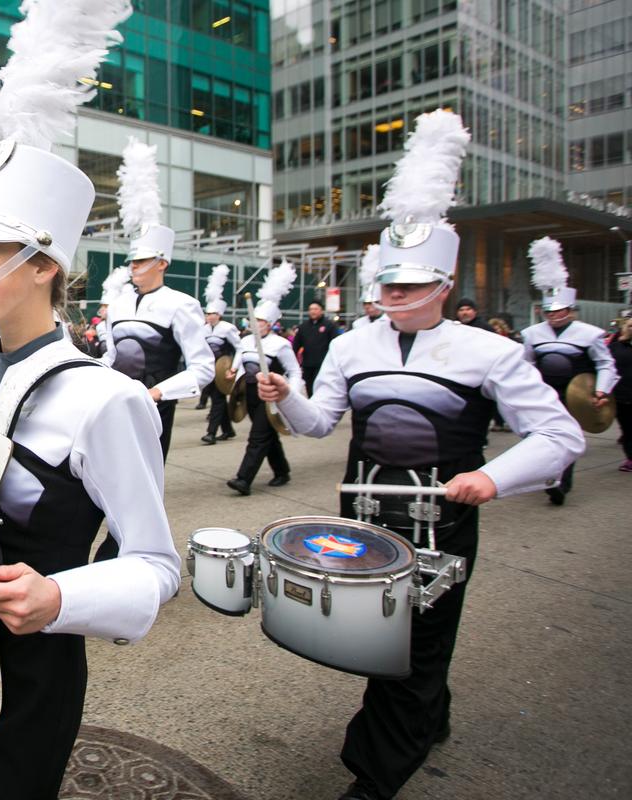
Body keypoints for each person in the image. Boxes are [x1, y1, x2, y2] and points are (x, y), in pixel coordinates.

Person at [256, 109, 585, 800]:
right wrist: (286, 396)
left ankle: (372, 778)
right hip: (365, 519)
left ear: (444, 284)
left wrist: (491, 479)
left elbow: (561, 437)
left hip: (443, 522)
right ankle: (430, 715)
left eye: (409, 286)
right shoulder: (351, 346)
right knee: (388, 642)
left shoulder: (491, 351)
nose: (395, 296)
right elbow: (320, 426)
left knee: (415, 650)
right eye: (389, 285)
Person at [0, 2, 177, 791]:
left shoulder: (107, 399)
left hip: (39, 665)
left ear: (43, 265)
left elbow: (156, 565)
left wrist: (59, 595)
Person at [103, 136, 214, 460]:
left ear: (162, 263)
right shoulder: (119, 303)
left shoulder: (181, 304)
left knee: (145, 478)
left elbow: (203, 368)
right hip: (115, 403)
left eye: (141, 261)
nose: (133, 267)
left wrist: (158, 392)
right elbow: (111, 355)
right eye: (132, 261)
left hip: (154, 406)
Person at [520, 236, 616, 505]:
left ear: (570, 310)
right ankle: (547, 474)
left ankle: (561, 482)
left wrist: (601, 391)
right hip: (544, 392)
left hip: (576, 394)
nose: (553, 316)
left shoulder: (590, 334)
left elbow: (605, 363)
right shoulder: (532, 333)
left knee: (567, 435)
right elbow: (526, 363)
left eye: (558, 311)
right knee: (541, 435)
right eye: (549, 312)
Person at [224, 261, 302, 495]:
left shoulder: (281, 344)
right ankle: (282, 471)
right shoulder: (246, 341)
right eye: (253, 320)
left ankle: (243, 479)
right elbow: (240, 359)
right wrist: (232, 373)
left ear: (270, 324)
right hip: (249, 393)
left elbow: (295, 371)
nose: (255, 324)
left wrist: (291, 393)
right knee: (267, 435)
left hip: (271, 396)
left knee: (258, 436)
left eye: (260, 321)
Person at [199, 265, 238, 444]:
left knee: (218, 399)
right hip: (209, 369)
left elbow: (239, 348)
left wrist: (234, 368)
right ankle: (228, 430)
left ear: (219, 314)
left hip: (223, 370)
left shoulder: (228, 329)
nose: (210, 316)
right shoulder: (203, 329)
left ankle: (211, 433)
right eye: (207, 313)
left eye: (213, 313)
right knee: (217, 399)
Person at [292, 299, 338, 395]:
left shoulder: (329, 325)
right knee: (309, 388)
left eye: (316, 309)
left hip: (323, 364)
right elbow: (296, 345)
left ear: (321, 310)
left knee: (320, 387)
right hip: (307, 364)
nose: (313, 311)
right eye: (311, 309)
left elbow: (335, 344)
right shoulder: (303, 327)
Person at [610, 316, 632, 472]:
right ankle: (630, 458)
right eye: (629, 326)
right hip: (621, 395)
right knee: (627, 429)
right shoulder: (615, 347)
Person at [352, 245, 387, 331]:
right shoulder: (358, 324)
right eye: (365, 303)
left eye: (371, 303)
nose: (367, 307)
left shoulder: (390, 322)